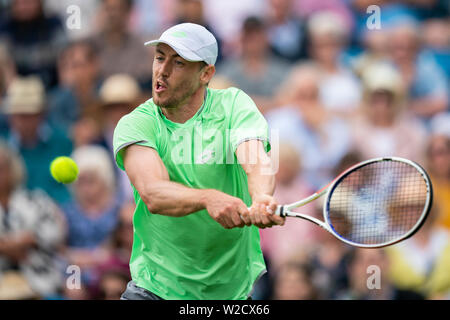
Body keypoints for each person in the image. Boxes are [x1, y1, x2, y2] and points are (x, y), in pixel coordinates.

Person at [113, 23, 285, 300]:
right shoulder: (136, 123)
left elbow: (256, 161)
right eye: (160, 57)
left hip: (231, 294)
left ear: (206, 73)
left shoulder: (234, 105)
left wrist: (262, 196)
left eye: (178, 62)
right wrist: (208, 198)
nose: (162, 71)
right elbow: (153, 192)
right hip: (154, 289)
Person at [0, 141, 66, 299]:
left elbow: (54, 234)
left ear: (12, 169)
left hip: (40, 283)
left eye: (1, 168)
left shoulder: (37, 200)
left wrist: (30, 240)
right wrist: (14, 244)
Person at [1, 76, 73, 204]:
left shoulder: (62, 141)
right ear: (11, 117)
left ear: (42, 114)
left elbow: (69, 186)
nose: (25, 122)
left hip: (57, 213)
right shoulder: (3, 149)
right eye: (20, 115)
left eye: (30, 114)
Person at [350, 62, 427, 163]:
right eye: (376, 101)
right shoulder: (356, 132)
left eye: (386, 100)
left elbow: (420, 166)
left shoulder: (413, 131)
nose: (381, 106)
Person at [217, 16, 291, 113]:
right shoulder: (227, 70)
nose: (253, 41)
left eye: (257, 35)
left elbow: (287, 102)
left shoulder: (282, 69)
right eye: (249, 36)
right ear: (242, 38)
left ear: (266, 38)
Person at [0, 0, 67, 89]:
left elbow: (64, 59)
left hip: (53, 87)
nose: (25, 7)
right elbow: (5, 65)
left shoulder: (54, 23)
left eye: (29, 2)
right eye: (20, 3)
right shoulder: (5, 27)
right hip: (18, 90)